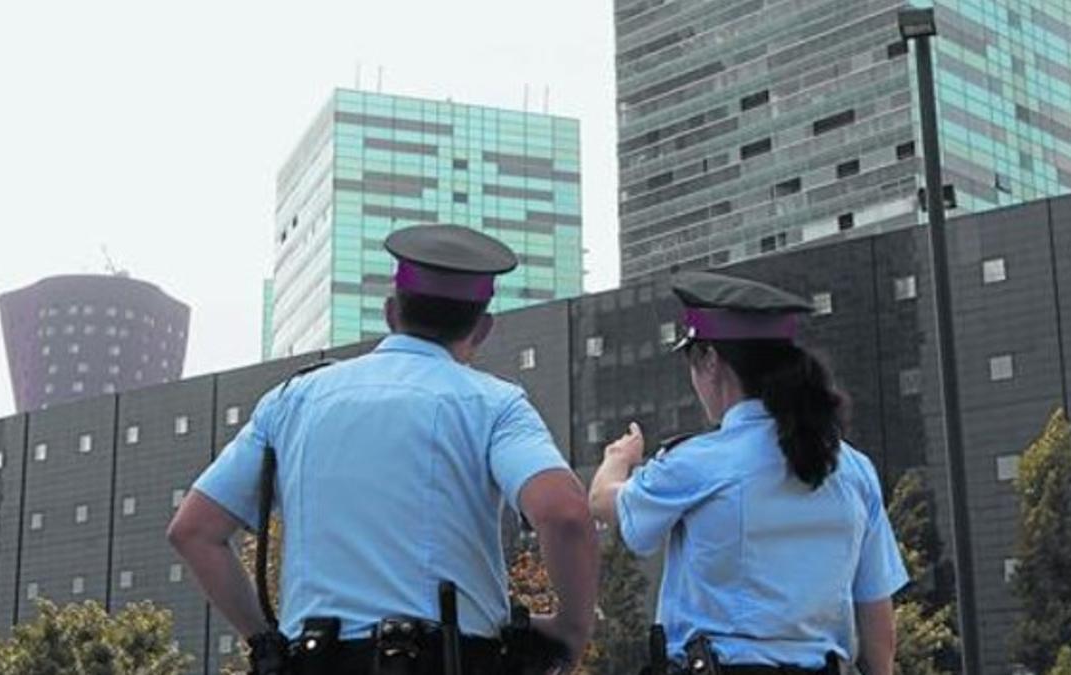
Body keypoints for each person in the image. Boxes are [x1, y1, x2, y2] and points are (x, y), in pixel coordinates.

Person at [168, 225, 598, 674]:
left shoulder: (292, 400)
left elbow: (193, 530)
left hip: (314, 660)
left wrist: (268, 643)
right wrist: (572, 629)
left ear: (392, 312)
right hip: (448, 660)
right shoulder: (493, 404)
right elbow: (565, 513)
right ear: (483, 328)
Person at [589, 271, 907, 675]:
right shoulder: (852, 468)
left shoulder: (697, 463)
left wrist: (619, 458)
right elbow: (876, 617)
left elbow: (602, 503)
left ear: (709, 360)